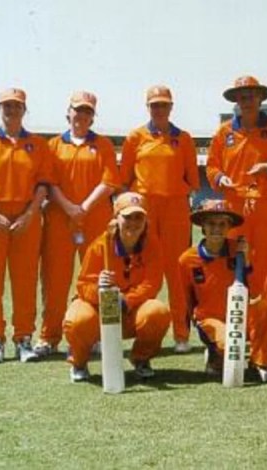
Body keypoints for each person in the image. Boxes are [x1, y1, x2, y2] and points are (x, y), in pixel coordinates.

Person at [206, 75, 267, 356]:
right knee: (232, 269)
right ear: (235, 100)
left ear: (261, 98)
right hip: (233, 208)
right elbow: (211, 167)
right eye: (242, 96)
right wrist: (220, 178)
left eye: (251, 95)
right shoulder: (224, 133)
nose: (247, 100)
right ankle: (236, 332)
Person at [0, 88, 54, 364]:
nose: (11, 110)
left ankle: (24, 338)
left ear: (24, 109)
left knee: (25, 280)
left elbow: (43, 184)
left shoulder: (38, 145)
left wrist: (30, 214)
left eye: (17, 106)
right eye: (6, 105)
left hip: (27, 217)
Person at [37, 91, 119, 357]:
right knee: (55, 280)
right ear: (68, 112)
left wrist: (83, 208)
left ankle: (94, 335)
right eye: (77, 110)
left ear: (93, 117)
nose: (81, 116)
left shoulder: (104, 145)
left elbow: (109, 182)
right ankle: (49, 337)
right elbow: (49, 182)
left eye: (87, 111)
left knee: (96, 279)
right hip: (60, 219)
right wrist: (70, 208)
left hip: (94, 219)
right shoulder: (53, 146)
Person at [120, 85, 200, 354]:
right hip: (144, 210)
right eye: (154, 105)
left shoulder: (184, 138)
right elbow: (125, 178)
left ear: (171, 107)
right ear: (148, 107)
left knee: (177, 272)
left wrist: (172, 193)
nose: (159, 109)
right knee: (144, 271)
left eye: (163, 105)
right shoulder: (136, 137)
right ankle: (146, 331)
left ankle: (181, 334)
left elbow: (193, 180)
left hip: (175, 210)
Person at [64, 192, 170, 382]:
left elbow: (152, 284)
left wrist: (126, 300)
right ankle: (79, 362)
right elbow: (83, 285)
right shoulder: (100, 246)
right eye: (127, 217)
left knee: (158, 312)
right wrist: (101, 290)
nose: (133, 223)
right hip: (99, 310)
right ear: (116, 218)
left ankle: (141, 358)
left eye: (139, 217)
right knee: (77, 320)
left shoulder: (152, 244)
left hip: (130, 310)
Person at [178, 199, 267, 382]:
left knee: (265, 307)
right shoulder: (187, 260)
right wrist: (196, 320)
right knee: (230, 344)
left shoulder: (238, 250)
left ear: (229, 227)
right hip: (210, 319)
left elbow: (255, 291)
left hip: (239, 313)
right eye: (211, 223)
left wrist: (247, 262)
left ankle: (259, 363)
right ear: (202, 226)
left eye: (222, 224)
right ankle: (215, 353)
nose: (217, 229)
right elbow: (186, 298)